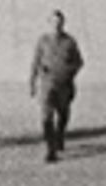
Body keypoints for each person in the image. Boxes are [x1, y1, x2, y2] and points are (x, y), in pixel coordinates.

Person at [28, 11, 83, 163]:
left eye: (59, 22)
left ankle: (59, 136)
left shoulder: (69, 41)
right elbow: (35, 62)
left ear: (63, 23)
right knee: (47, 115)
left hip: (64, 84)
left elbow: (79, 62)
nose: (57, 25)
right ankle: (50, 149)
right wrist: (32, 82)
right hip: (47, 82)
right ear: (49, 23)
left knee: (63, 113)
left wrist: (69, 72)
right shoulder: (43, 40)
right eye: (54, 22)